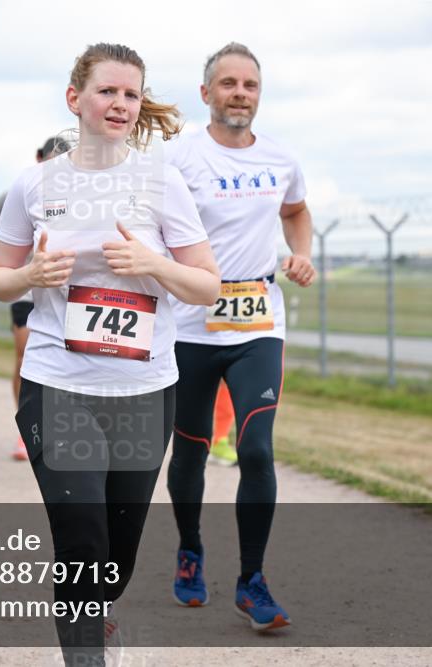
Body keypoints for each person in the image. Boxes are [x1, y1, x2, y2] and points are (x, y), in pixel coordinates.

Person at [0, 43, 219, 665]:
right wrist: (31, 273)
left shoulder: (161, 182)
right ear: (75, 99)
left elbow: (206, 284)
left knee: (115, 556)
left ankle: (97, 609)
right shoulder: (34, 184)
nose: (120, 104)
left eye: (131, 94)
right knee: (81, 537)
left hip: (143, 390)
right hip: (58, 380)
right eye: (107, 91)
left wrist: (153, 264)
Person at [165, 43, 316, 630]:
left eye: (249, 85)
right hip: (189, 325)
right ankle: (190, 551)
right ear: (206, 93)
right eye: (227, 84)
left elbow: (296, 211)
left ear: (259, 94)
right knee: (191, 450)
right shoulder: (178, 158)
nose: (239, 94)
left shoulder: (281, 158)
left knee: (256, 449)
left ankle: (252, 581)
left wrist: (301, 254)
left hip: (258, 322)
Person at [0, 136, 71, 461]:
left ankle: (59, 426)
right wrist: (29, 237)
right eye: (50, 160)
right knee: (24, 355)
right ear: (39, 158)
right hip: (24, 286)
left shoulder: (78, 195)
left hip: (59, 291)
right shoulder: (17, 193)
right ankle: (27, 428)